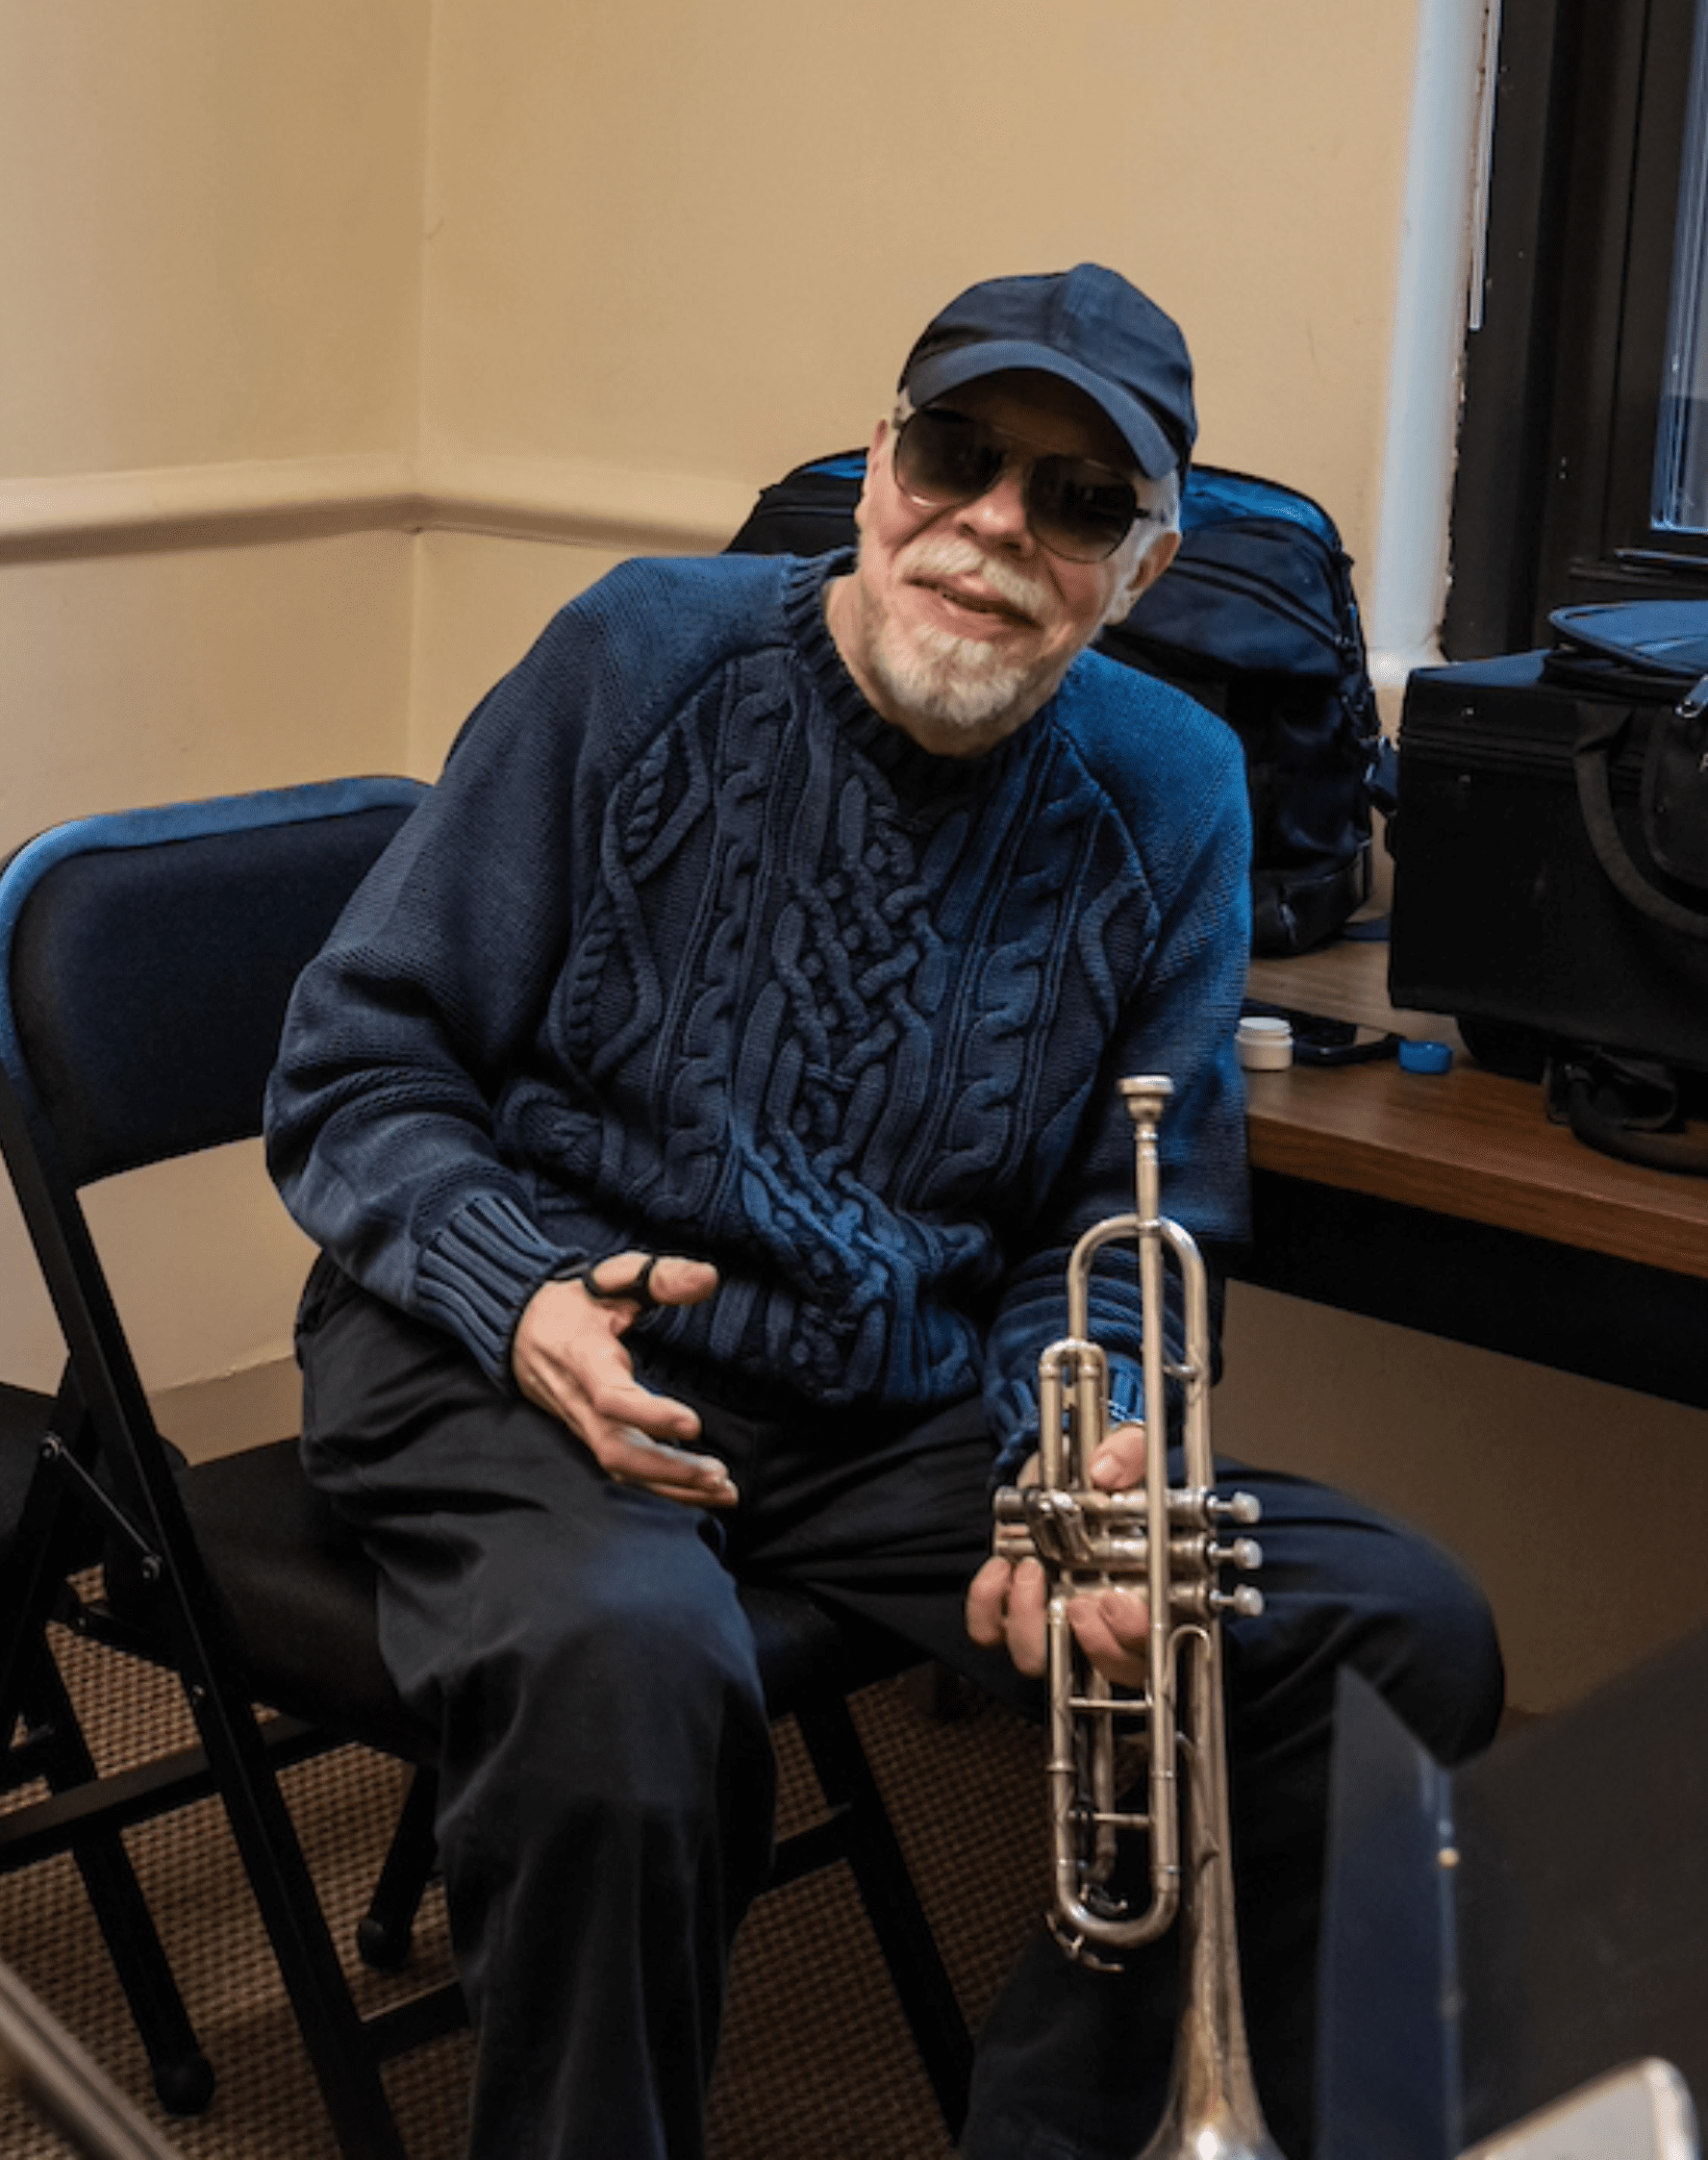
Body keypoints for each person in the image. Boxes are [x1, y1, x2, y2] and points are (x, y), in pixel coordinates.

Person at [264, 263, 1503, 2160]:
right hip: (517, 1345)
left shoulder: (1172, 789)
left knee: (1395, 1627)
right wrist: (519, 1287)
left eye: (1081, 499)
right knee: (634, 1676)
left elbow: (1127, 1217)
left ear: (1143, 568)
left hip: (892, 1409)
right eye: (960, 454)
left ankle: (1065, 2130)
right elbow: (357, 1065)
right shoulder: (636, 657)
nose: (998, 524)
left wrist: (1081, 1432)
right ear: (875, 465)